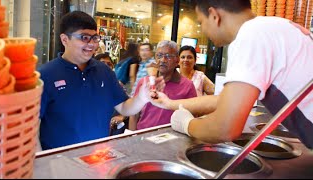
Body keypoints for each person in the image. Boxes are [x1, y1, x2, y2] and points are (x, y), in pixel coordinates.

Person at [151, 0, 313, 149]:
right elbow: (226, 100)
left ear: (214, 15)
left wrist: (187, 124)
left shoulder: (249, 36)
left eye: (201, 22)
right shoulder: (274, 25)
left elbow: (225, 128)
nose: (204, 30)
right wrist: (169, 104)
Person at [38, 11, 164, 150]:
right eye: (84, 37)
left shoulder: (104, 71)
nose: (92, 44)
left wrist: (142, 97)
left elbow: (124, 107)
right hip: (59, 162)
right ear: (65, 40)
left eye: (95, 38)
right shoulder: (45, 75)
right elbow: (31, 129)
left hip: (98, 158)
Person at [129, 40, 197, 130]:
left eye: (168, 56)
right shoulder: (144, 82)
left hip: (172, 139)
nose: (162, 60)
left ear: (177, 60)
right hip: (143, 137)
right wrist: (132, 138)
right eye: (159, 55)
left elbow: (193, 117)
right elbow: (134, 114)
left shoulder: (187, 86)